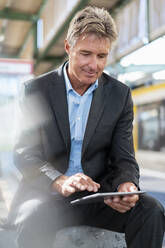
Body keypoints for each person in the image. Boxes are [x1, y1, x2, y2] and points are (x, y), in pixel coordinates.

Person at [10, 6, 164, 248]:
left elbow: (124, 157)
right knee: (32, 217)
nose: (94, 65)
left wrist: (126, 185)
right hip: (48, 197)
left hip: (99, 197)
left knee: (151, 210)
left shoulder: (120, 95)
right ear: (68, 48)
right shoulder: (35, 91)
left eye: (102, 56)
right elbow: (24, 154)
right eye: (86, 54)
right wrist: (60, 181)